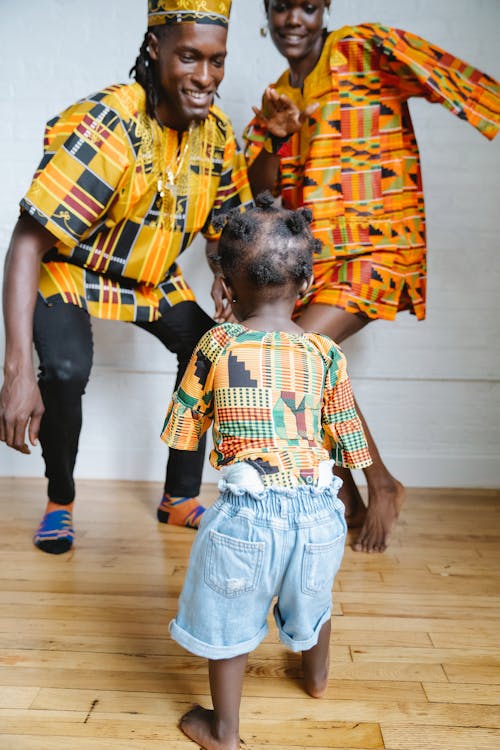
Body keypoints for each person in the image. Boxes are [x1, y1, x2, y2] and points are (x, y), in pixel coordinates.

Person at [242, 0, 500, 553]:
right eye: (282, 6)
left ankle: (379, 483)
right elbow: (262, 191)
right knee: (302, 363)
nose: (293, 19)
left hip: (379, 245)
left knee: (299, 350)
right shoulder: (275, 94)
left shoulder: (362, 48)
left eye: (307, 6)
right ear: (267, 12)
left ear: (325, 9)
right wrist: (273, 131)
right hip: (319, 260)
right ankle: (349, 497)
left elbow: (449, 76)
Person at [0, 0, 253, 554]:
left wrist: (223, 275)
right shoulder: (113, 121)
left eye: (217, 61)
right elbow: (27, 240)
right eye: (189, 57)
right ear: (155, 49)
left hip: (151, 277)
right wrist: (17, 370)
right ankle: (60, 499)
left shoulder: (216, 136)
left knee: (211, 347)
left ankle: (180, 497)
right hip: (72, 268)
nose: (205, 77)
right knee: (64, 370)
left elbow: (224, 230)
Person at [160, 192, 372, 750]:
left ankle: (224, 731)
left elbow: (182, 430)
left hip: (247, 518)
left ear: (225, 284)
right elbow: (349, 438)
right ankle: (317, 677)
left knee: (229, 622)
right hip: (321, 508)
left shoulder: (217, 344)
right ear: (306, 284)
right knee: (314, 596)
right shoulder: (326, 353)